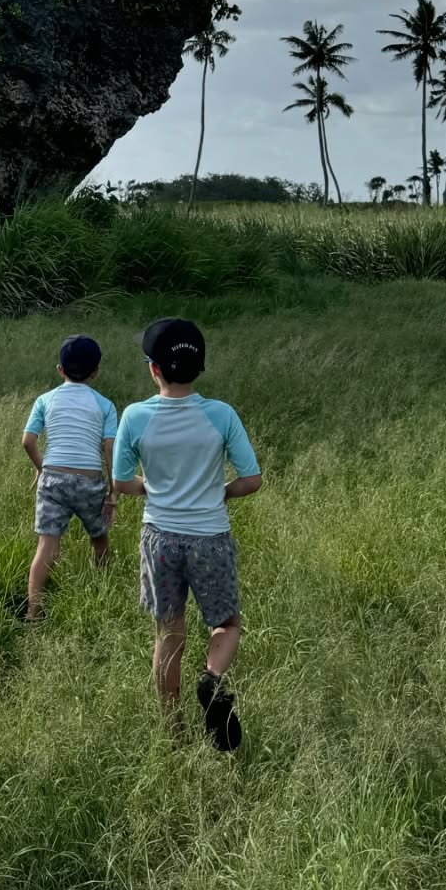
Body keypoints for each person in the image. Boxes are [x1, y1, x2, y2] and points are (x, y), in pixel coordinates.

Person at [112, 317, 262, 750]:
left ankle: (173, 733)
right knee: (226, 624)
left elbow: (122, 482)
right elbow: (251, 480)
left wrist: (151, 488)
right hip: (210, 537)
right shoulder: (221, 415)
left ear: (153, 369)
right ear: (199, 367)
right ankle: (212, 679)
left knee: (169, 634)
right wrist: (219, 494)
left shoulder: (136, 416)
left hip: (160, 538)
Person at [21, 334, 118, 620]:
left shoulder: (45, 399)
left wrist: (42, 468)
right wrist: (113, 491)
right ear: (95, 372)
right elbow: (109, 448)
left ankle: (33, 609)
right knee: (99, 539)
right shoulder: (105, 405)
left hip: (53, 479)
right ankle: (101, 593)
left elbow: (27, 441)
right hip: (90, 481)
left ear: (60, 370)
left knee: (47, 546)